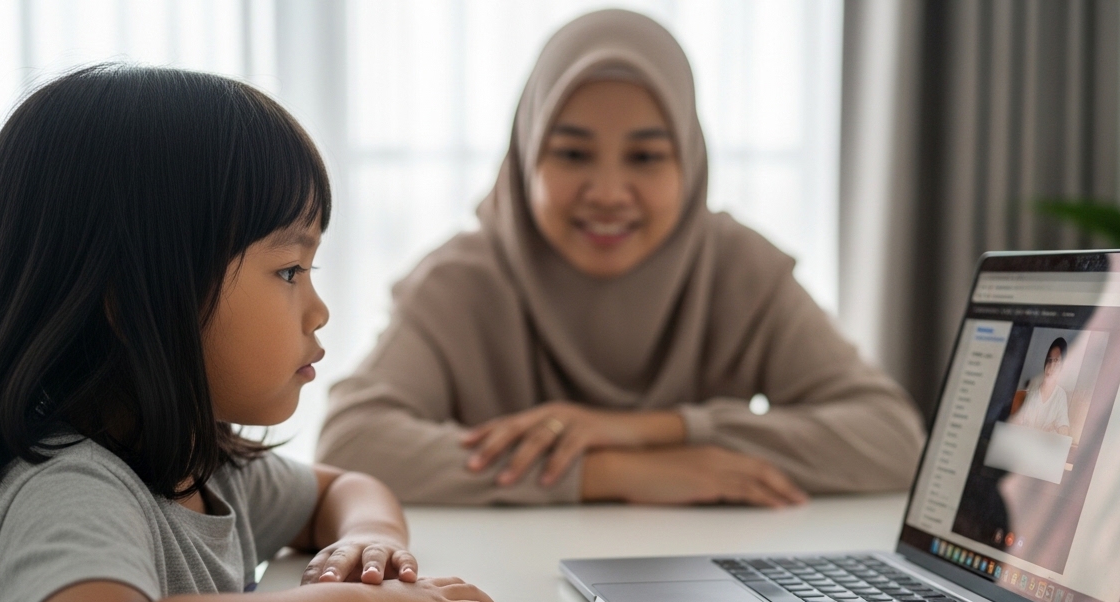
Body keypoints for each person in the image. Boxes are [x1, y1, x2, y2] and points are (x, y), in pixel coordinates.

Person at [0, 66, 505, 602]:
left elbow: (339, 490)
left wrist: (370, 540)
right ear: (132, 295)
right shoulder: (67, 491)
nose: (318, 309)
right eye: (290, 270)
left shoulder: (196, 470)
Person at [317, 10, 925, 507]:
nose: (608, 192)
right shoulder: (462, 281)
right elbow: (352, 443)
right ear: (526, 156)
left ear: (689, 162)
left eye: (645, 157)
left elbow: (891, 439)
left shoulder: (737, 269)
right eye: (573, 154)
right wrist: (612, 473)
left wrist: (658, 431)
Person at [1010, 337, 1071, 435]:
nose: (1051, 367)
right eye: (1049, 361)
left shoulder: (1060, 395)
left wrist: (1058, 429)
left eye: (1056, 361)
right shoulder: (1033, 391)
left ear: (1062, 366)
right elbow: (1018, 420)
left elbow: (1064, 428)